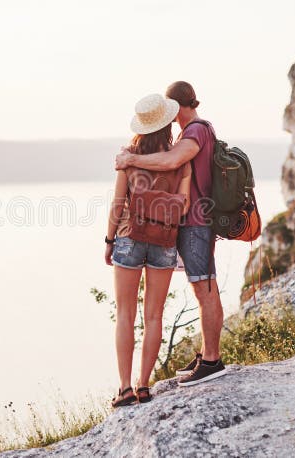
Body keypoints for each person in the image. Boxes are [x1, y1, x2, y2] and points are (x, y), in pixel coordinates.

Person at [115, 81, 227, 387]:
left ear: (175, 108)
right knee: (202, 287)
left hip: (195, 222)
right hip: (194, 222)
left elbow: (171, 161)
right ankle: (207, 352)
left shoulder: (195, 131)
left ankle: (212, 361)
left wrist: (131, 159)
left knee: (204, 288)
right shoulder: (194, 130)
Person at [105, 93, 191, 407]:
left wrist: (108, 240)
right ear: (167, 122)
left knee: (125, 315)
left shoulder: (128, 157)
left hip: (128, 237)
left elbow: (117, 205)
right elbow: (184, 207)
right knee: (154, 316)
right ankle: (144, 386)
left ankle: (125, 389)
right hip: (164, 241)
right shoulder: (179, 160)